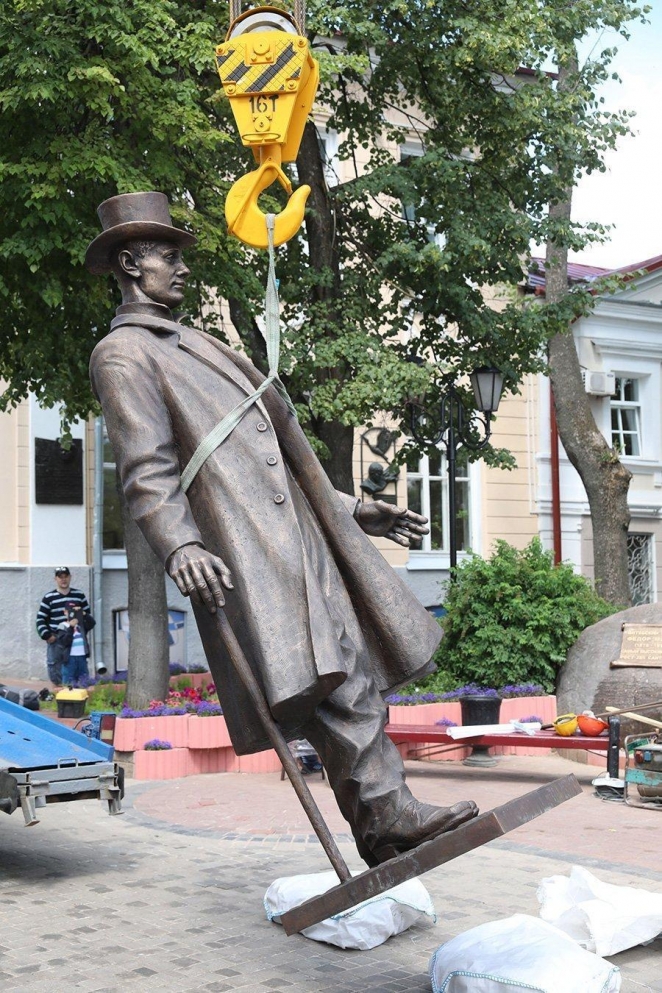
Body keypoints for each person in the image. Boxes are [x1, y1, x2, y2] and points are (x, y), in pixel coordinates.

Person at [86, 191, 478, 866]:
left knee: (347, 665)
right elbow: (146, 468)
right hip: (245, 546)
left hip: (294, 534)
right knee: (331, 673)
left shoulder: (197, 342)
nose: (183, 268)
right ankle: (387, 816)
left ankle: (385, 820)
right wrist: (181, 543)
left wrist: (353, 509)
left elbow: (269, 446)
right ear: (130, 263)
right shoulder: (123, 353)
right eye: (168, 256)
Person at [35, 567, 91, 686]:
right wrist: (47, 635)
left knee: (77, 670)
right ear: (55, 579)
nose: (63, 579)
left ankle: (78, 692)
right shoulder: (49, 597)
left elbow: (87, 615)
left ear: (70, 577)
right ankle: (59, 693)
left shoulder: (79, 595)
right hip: (56, 638)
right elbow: (40, 619)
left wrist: (82, 632)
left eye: (66, 576)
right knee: (55, 668)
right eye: (60, 577)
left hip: (75, 640)